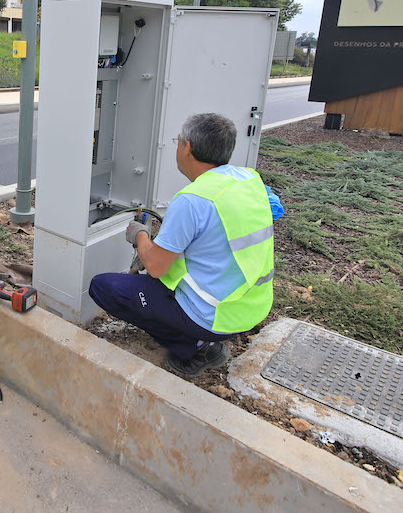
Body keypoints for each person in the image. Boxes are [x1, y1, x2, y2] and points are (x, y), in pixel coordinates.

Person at [88, 113, 283, 378]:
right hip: (251, 308)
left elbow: (155, 267)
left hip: (213, 316)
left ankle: (196, 349)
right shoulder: (249, 179)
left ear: (187, 147)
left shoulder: (192, 200)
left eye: (177, 141)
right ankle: (200, 336)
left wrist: (140, 235)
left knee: (103, 287)